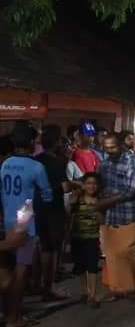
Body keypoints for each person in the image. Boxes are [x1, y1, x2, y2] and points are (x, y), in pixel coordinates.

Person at [0, 127, 53, 327]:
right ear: (31, 142)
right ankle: (14, 317)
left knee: (6, 270)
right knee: (22, 271)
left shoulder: (6, 164)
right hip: (25, 219)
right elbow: (47, 195)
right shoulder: (36, 167)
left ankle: (7, 312)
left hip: (7, 220)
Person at [98, 132, 135, 300]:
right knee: (111, 253)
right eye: (107, 148)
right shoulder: (105, 163)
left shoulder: (131, 161)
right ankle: (118, 288)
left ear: (121, 145)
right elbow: (98, 184)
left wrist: (105, 202)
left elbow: (130, 191)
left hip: (129, 212)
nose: (110, 151)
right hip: (111, 215)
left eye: (113, 147)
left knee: (126, 252)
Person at [36, 127, 72, 301]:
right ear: (57, 142)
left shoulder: (35, 160)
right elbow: (65, 188)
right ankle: (48, 287)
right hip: (53, 210)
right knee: (53, 249)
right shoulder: (56, 162)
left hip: (37, 208)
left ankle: (40, 284)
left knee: (42, 248)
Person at [70, 173, 102, 306]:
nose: (91, 186)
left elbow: (102, 220)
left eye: (94, 183)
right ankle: (85, 291)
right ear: (83, 185)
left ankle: (93, 295)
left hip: (93, 238)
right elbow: (70, 216)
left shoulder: (100, 200)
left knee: (92, 266)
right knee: (80, 266)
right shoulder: (77, 199)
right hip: (77, 237)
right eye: (88, 183)